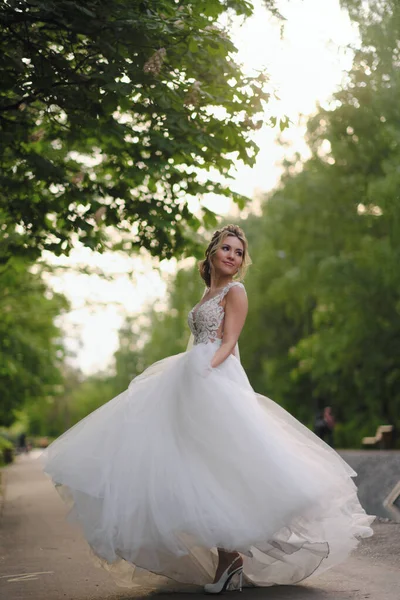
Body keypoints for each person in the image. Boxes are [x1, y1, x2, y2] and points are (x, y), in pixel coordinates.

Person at [40, 225, 374, 593]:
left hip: (215, 376)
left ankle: (230, 559)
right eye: (226, 248)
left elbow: (230, 341)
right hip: (190, 375)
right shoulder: (208, 291)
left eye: (238, 252)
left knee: (220, 466)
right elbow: (198, 338)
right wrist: (188, 373)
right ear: (213, 252)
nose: (233, 255)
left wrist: (206, 369)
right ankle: (227, 562)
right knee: (193, 469)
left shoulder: (236, 291)